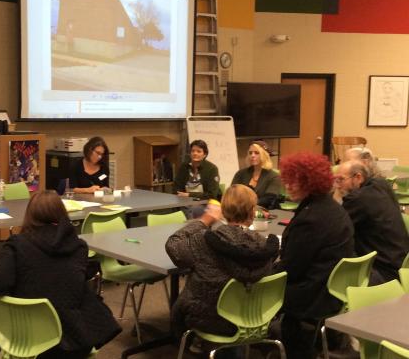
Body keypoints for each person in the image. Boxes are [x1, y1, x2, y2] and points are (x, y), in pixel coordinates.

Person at [0, 191, 122, 359]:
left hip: (23, 338)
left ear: (30, 215)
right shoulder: (79, 247)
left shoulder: (17, 244)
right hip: (73, 342)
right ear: (61, 213)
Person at [166, 185, 279, 342]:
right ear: (252, 213)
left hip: (209, 318)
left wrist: (204, 220)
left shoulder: (204, 241)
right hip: (254, 318)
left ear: (223, 212)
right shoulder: (264, 247)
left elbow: (173, 247)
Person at [274, 153, 354, 359]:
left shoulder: (311, 219)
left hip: (311, 295)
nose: (289, 186)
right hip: (331, 290)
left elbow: (290, 270)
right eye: (287, 180)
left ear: (312, 182)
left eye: (296, 182)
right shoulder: (332, 208)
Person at [334, 160, 409, 284]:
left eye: (341, 180)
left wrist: (336, 196)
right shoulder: (381, 184)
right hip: (401, 266)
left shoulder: (358, 199)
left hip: (382, 273)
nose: (337, 185)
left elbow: (335, 226)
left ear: (358, 177)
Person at [231, 140, 282, 209]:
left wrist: (247, 206)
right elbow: (232, 193)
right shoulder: (240, 173)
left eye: (257, 153)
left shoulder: (274, 176)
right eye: (250, 153)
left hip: (265, 211)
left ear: (265, 155)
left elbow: (268, 199)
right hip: (241, 211)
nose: (252, 155)